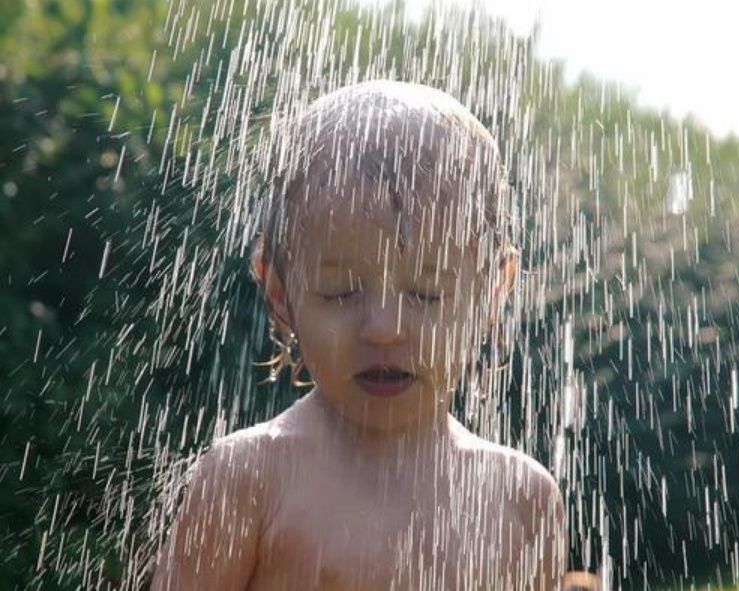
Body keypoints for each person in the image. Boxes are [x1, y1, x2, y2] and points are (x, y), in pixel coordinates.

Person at [149, 79, 566, 590]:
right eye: (340, 293)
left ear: (493, 292)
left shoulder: (522, 499)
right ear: (280, 295)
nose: (385, 330)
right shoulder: (250, 478)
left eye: (428, 294)